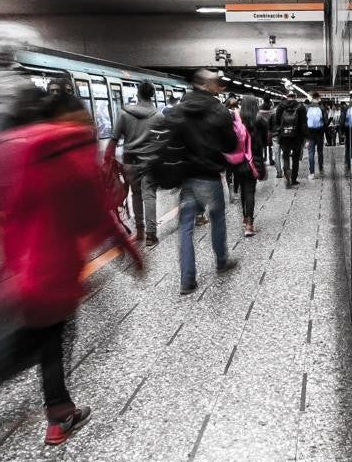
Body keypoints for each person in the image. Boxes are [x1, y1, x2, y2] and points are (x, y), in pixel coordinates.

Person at [0, 91, 144, 446]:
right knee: (53, 342)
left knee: (47, 339)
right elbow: (97, 217)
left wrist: (6, 268)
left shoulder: (17, 152)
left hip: (22, 272)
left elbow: (1, 212)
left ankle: (58, 411)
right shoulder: (71, 157)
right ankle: (58, 415)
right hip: (57, 274)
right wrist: (131, 253)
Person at [169, 69, 240, 294]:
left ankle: (187, 280)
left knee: (186, 228)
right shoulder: (218, 110)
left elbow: (170, 142)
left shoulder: (178, 110)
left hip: (186, 177)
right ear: (208, 85)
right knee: (217, 220)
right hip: (209, 176)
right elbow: (230, 145)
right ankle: (221, 261)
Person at [103, 81, 162, 245]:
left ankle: (140, 231)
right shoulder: (159, 116)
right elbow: (166, 140)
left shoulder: (124, 114)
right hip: (150, 162)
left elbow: (114, 140)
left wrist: (107, 160)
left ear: (138, 94)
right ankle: (151, 235)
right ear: (152, 95)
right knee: (149, 195)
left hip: (130, 161)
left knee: (136, 195)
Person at [236, 96, 270, 237]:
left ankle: (245, 217)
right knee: (250, 191)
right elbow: (266, 141)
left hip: (238, 160)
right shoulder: (261, 120)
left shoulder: (237, 120)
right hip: (254, 160)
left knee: (243, 190)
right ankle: (249, 223)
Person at [275, 92, 305, 187]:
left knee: (285, 156)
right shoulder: (301, 107)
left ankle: (287, 171)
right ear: (295, 97)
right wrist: (306, 137)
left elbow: (277, 122)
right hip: (297, 136)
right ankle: (294, 179)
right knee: (295, 158)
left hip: (284, 136)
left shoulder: (280, 107)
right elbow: (304, 123)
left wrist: (278, 133)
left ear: (287, 97)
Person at [304, 92, 327, 180]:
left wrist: (305, 136)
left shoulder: (307, 108)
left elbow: (304, 123)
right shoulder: (322, 108)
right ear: (318, 98)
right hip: (319, 133)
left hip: (310, 134)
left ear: (312, 98)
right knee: (320, 152)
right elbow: (325, 122)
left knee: (311, 152)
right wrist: (323, 132)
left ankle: (312, 173)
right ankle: (321, 171)